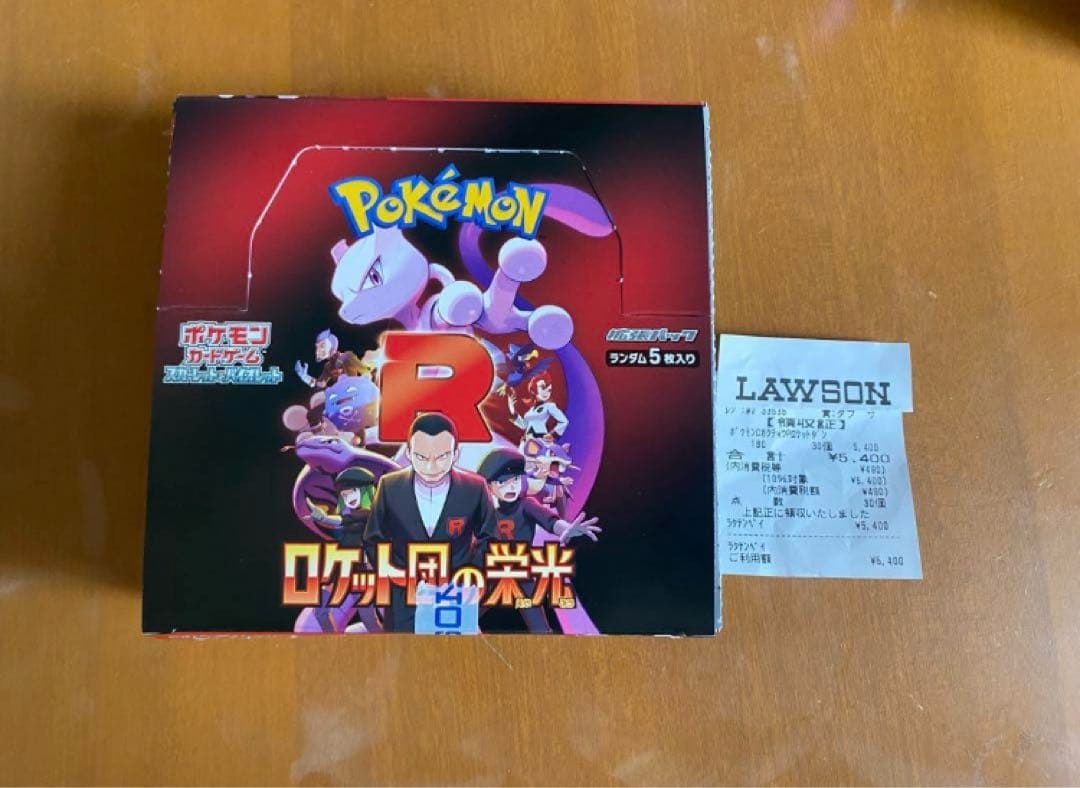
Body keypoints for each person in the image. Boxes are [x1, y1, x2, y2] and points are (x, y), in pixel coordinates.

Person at [362, 413, 497, 632]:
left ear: (456, 454)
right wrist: (396, 574)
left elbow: (490, 537)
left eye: (442, 457)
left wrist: (471, 577)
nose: (431, 467)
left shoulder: (475, 487)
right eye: (421, 457)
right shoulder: (389, 486)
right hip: (404, 596)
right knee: (403, 650)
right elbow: (372, 538)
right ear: (408, 453)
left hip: (457, 593)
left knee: (454, 651)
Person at [476, 447, 601, 632]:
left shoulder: (526, 504)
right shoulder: (485, 511)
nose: (510, 487)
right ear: (489, 487)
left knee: (540, 629)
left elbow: (550, 521)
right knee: (465, 615)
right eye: (502, 483)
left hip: (520, 571)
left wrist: (566, 529)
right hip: (492, 571)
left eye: (515, 480)